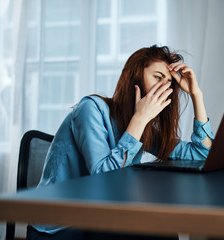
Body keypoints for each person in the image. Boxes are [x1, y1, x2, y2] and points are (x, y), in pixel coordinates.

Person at [26, 45, 214, 240]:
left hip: (100, 217)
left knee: (163, 231)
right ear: (134, 77)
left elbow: (203, 153)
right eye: (158, 77)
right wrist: (140, 119)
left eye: (169, 82)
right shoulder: (91, 109)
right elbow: (104, 177)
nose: (165, 87)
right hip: (60, 225)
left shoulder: (140, 125)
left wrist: (195, 94)